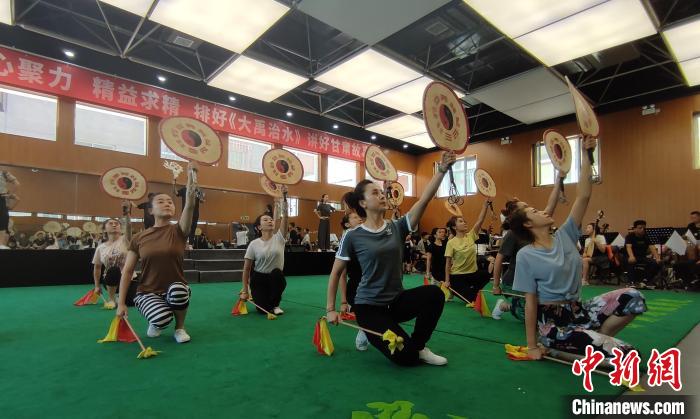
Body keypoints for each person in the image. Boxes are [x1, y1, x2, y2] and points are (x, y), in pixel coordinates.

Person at [509, 136, 646, 360]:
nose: (543, 211)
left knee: (633, 296)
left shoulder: (566, 234)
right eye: (535, 212)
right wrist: (531, 346)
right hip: (551, 321)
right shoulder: (526, 255)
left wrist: (586, 154)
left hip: (578, 309)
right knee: (628, 354)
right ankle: (563, 343)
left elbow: (583, 195)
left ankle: (597, 337)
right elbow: (531, 302)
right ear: (527, 224)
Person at [326, 151, 456, 366]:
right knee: (406, 359)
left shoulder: (397, 227)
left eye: (381, 192)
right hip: (368, 307)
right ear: (363, 203)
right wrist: (331, 309)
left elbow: (424, 199)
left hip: (396, 301)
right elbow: (336, 272)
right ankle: (370, 332)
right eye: (375, 193)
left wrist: (441, 170)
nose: (382, 195)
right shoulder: (353, 235)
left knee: (434, 294)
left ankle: (420, 345)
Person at [117, 161, 199, 344]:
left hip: (174, 289)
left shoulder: (179, 231)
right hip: (147, 291)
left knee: (179, 290)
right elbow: (128, 271)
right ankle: (157, 321)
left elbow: (191, 205)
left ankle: (180, 328)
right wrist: (121, 303)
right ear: (151, 210)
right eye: (160, 202)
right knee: (161, 319)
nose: (167, 204)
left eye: (170, 202)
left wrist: (192, 175)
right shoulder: (139, 238)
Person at [492, 177, 565, 320]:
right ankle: (504, 306)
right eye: (524, 207)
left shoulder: (537, 225)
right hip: (513, 282)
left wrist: (559, 180)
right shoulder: (513, 234)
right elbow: (499, 259)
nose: (531, 208)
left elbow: (551, 205)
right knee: (531, 315)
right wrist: (495, 285)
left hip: (534, 280)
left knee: (544, 310)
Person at [240, 187, 289, 315]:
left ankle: (276, 304)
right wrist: (245, 290)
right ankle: (268, 304)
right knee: (263, 310)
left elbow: (285, 218)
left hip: (275, 277)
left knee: (277, 275)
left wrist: (284, 197)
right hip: (258, 279)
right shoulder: (253, 244)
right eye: (265, 220)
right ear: (259, 227)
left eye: (271, 219)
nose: (270, 221)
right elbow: (246, 269)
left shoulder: (280, 237)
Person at [444, 199, 491, 303]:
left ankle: (472, 291)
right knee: (471, 300)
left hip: (472, 274)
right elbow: (447, 264)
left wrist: (485, 206)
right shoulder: (451, 243)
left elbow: (480, 221)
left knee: (486, 274)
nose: (464, 223)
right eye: (461, 222)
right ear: (454, 227)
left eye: (464, 221)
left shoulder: (470, 236)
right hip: (457, 276)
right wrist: (447, 281)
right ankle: (457, 291)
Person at [92, 201, 133, 309]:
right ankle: (111, 299)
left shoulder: (125, 240)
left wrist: (127, 214)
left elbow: (129, 227)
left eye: (117, 224)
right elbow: (97, 268)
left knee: (132, 302)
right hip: (111, 280)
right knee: (114, 270)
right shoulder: (101, 248)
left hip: (129, 279)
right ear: (104, 229)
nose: (114, 224)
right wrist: (97, 286)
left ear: (121, 228)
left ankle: (122, 297)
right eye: (111, 223)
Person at [337, 212, 367, 350]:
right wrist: (343, 301)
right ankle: (363, 331)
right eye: (355, 217)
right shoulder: (346, 243)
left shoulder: (368, 238)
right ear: (347, 224)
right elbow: (341, 276)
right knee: (368, 315)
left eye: (360, 217)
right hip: (356, 288)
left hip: (373, 284)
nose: (360, 218)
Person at [625, 220, 661, 287]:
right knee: (631, 262)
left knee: (656, 263)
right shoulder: (630, 236)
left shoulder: (646, 236)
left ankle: (645, 281)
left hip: (642, 257)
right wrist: (631, 256)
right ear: (635, 229)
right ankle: (631, 282)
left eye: (644, 228)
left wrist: (657, 258)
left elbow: (652, 248)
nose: (642, 230)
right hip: (631, 256)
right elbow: (628, 247)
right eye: (640, 228)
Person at [0, 169, 20, 249]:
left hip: (2, 201)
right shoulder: (3, 173)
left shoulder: (3, 172)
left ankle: (2, 245)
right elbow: (17, 184)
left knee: (3, 227)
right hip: (2, 202)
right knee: (3, 227)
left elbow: (17, 184)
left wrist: (9, 195)